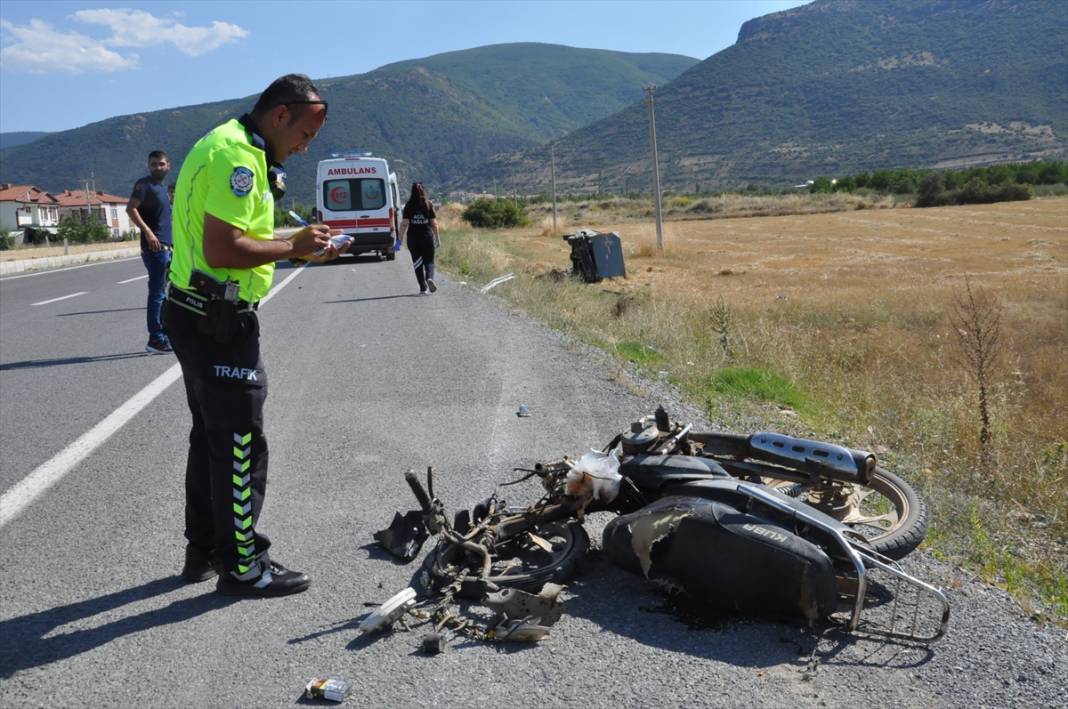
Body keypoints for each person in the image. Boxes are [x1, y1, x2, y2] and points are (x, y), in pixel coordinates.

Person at [164, 74, 343, 597]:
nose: (307, 146)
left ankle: (203, 549)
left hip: (197, 313)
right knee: (241, 443)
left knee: (212, 438)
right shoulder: (238, 157)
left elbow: (238, 239)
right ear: (280, 114)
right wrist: (295, 248)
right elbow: (224, 249)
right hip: (216, 321)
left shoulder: (230, 144)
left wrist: (297, 243)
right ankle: (244, 567)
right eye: (306, 134)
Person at [127, 150, 173, 353]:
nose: (157, 167)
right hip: (155, 248)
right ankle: (155, 339)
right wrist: (148, 233)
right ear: (148, 166)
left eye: (161, 164)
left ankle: (163, 334)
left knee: (165, 294)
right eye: (153, 164)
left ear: (168, 165)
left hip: (167, 247)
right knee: (157, 294)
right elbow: (131, 208)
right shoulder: (144, 184)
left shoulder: (162, 189)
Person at [400, 182, 440, 294]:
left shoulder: (409, 205)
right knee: (429, 261)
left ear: (412, 191)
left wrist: (399, 240)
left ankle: (423, 288)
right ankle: (429, 278)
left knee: (417, 263)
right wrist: (437, 238)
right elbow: (434, 223)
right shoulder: (428, 204)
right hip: (427, 237)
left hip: (413, 239)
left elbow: (404, 223)